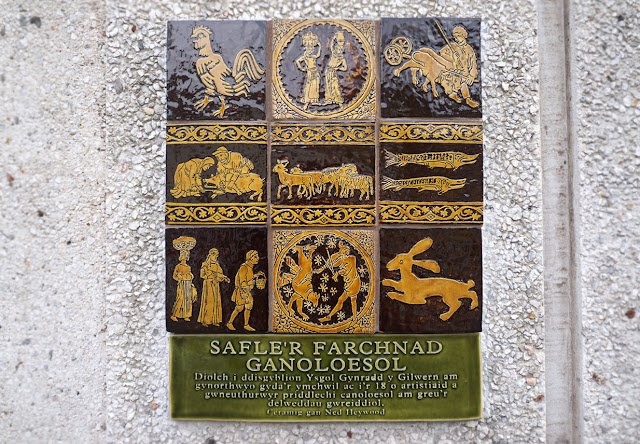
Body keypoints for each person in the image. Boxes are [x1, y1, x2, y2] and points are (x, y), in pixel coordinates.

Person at [429, 26, 479, 108]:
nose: (456, 39)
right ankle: (453, 94)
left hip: (465, 72)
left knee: (463, 83)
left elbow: (473, 64)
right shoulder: (452, 46)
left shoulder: (469, 49)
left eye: (458, 36)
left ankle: (467, 99)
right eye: (455, 37)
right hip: (454, 70)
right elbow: (442, 52)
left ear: (463, 36)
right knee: (454, 81)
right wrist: (452, 57)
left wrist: (471, 76)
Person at [319, 242, 361, 323]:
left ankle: (354, 318)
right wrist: (336, 255)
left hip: (353, 283)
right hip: (349, 283)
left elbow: (345, 270)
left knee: (350, 300)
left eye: (347, 251)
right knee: (344, 300)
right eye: (345, 251)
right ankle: (354, 318)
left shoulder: (352, 259)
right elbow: (334, 263)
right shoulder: (343, 259)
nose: (347, 253)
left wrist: (337, 273)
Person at [227, 250, 261, 331]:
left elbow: (248, 277)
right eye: (255, 257)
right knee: (239, 308)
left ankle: (246, 324)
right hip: (242, 291)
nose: (258, 258)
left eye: (257, 256)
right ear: (250, 258)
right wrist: (249, 285)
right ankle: (229, 323)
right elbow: (242, 282)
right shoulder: (244, 267)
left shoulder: (249, 267)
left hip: (246, 290)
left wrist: (255, 276)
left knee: (249, 306)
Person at [197, 248, 229, 327]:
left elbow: (220, 274)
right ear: (210, 255)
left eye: (216, 255)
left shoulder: (217, 265)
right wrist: (211, 276)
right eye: (214, 255)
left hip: (215, 285)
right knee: (208, 301)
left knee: (216, 302)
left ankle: (215, 320)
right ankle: (205, 320)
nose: (215, 257)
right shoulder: (205, 264)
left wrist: (224, 278)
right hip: (208, 285)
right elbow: (202, 275)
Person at [296, 32, 321, 110]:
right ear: (306, 50)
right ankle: (307, 102)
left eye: (312, 49)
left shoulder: (313, 56)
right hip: (310, 72)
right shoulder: (305, 57)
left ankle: (314, 100)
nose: (311, 50)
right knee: (309, 86)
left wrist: (319, 47)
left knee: (315, 86)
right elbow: (297, 61)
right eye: (309, 49)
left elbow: (318, 55)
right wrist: (301, 68)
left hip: (315, 71)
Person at [171, 250, 197, 322]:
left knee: (188, 300)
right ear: (181, 256)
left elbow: (191, 276)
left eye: (187, 255)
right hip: (182, 284)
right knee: (180, 298)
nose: (185, 256)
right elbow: (174, 276)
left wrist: (189, 279)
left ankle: (186, 315)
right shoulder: (178, 266)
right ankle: (174, 315)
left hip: (188, 284)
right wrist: (180, 278)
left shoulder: (188, 267)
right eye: (184, 255)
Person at [324, 32, 347, 107]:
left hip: (333, 71)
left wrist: (338, 68)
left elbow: (345, 68)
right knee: (328, 86)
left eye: (340, 49)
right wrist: (334, 38)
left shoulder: (342, 58)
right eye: (337, 48)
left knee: (335, 85)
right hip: (328, 70)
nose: (338, 50)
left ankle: (338, 101)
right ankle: (329, 100)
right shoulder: (334, 53)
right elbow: (331, 46)